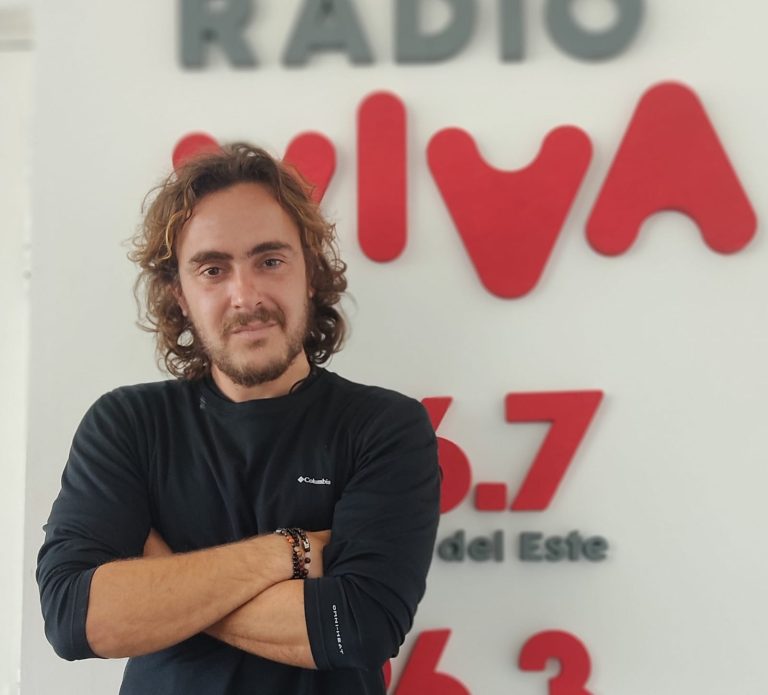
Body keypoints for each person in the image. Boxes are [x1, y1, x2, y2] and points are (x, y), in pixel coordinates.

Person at [36, 143, 441, 694]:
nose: (245, 296)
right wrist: (290, 552)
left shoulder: (383, 427)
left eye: (270, 261)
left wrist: (163, 581)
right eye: (212, 269)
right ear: (180, 295)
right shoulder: (128, 424)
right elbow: (73, 618)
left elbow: (358, 628)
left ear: (310, 272)